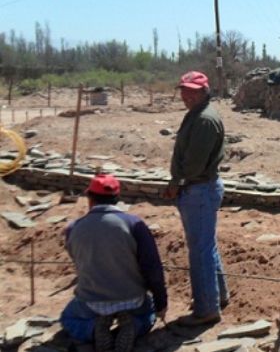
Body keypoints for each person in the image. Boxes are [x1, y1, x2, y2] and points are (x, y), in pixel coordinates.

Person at [60, 173, 167, 352]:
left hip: (92, 300)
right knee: (148, 317)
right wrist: (161, 302)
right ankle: (133, 325)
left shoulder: (73, 228)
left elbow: (77, 261)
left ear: (90, 198)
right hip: (132, 298)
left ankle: (94, 329)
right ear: (117, 199)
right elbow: (152, 267)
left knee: (68, 319)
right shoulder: (134, 225)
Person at [163, 71, 228, 326]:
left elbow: (193, 165)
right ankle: (216, 297)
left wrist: (176, 182)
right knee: (206, 246)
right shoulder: (198, 114)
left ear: (203, 91)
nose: (185, 95)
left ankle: (206, 309)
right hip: (200, 188)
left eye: (190, 91)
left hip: (198, 189)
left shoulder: (203, 120)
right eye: (183, 90)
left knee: (199, 251)